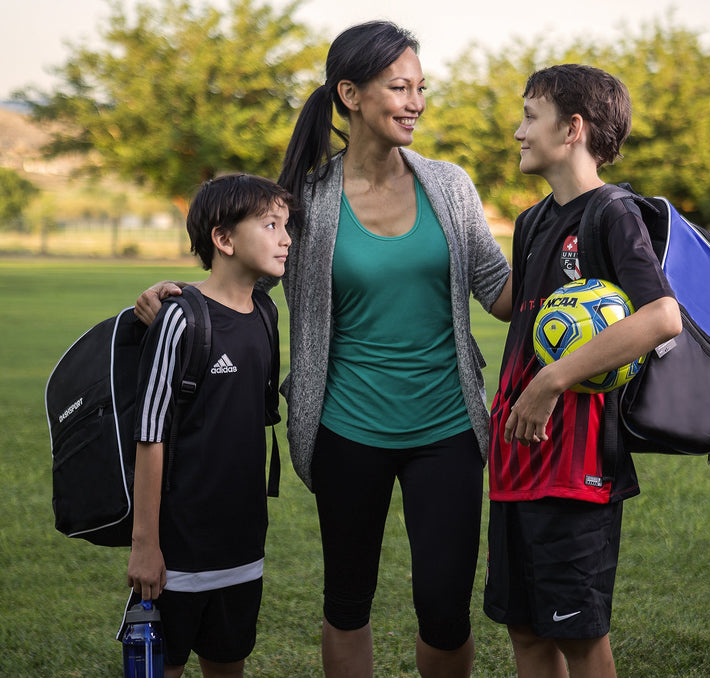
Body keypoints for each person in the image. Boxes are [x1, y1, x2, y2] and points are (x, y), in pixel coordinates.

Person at [137, 20, 511, 678]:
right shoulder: (306, 198)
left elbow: (497, 288)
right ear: (350, 94)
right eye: (400, 87)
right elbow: (243, 273)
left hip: (448, 428)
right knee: (346, 603)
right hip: (346, 429)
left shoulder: (449, 186)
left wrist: (576, 280)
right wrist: (166, 296)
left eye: (423, 88)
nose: (416, 102)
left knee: (446, 609)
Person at [483, 64, 682, 678]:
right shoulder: (532, 221)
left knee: (578, 636)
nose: (517, 132)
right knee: (525, 631)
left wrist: (550, 381)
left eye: (528, 116)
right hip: (516, 461)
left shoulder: (614, 213)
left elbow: (661, 318)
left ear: (571, 129)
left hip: (577, 468)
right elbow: (515, 306)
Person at [126, 174, 294, 678]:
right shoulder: (181, 319)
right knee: (162, 667)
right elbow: (150, 435)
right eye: (270, 225)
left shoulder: (266, 312)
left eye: (287, 225)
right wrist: (145, 545)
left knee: (228, 661)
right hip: (177, 548)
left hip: (243, 542)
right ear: (223, 239)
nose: (285, 238)